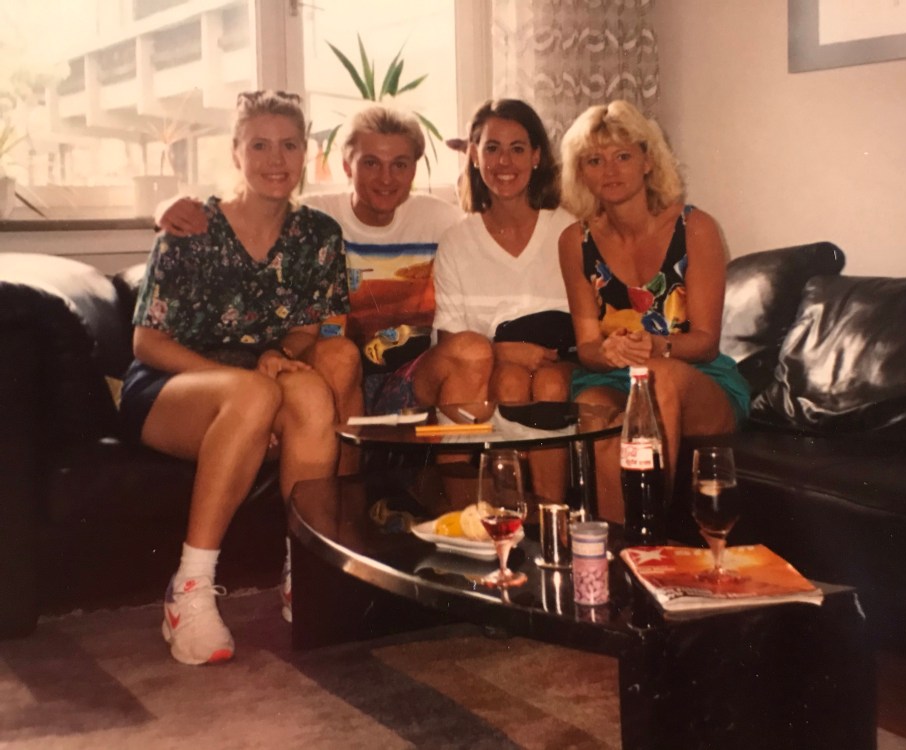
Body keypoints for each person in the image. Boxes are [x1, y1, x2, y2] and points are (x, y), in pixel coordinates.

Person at [122, 90, 361, 665]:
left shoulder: (319, 236)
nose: (275, 159)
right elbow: (146, 342)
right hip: (172, 386)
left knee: (310, 393)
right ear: (235, 153)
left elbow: (310, 330)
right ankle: (189, 589)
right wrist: (239, 381)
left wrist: (279, 355)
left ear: (305, 154)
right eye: (259, 146)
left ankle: (303, 570)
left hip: (259, 381)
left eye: (289, 145)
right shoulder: (190, 228)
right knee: (255, 393)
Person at [156, 104, 491, 415]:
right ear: (346, 165)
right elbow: (249, 208)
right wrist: (168, 209)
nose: (386, 178)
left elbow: (491, 236)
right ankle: (348, 461)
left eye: (399, 164)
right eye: (370, 163)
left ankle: (458, 462)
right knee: (338, 354)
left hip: (410, 378)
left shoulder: (439, 219)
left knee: (468, 349)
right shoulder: (315, 217)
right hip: (331, 374)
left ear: (414, 168)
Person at [558, 100, 751, 522]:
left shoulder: (695, 228)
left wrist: (655, 346)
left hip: (695, 378)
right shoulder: (575, 241)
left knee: (656, 376)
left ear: (648, 161)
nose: (609, 170)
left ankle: (652, 533)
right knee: (590, 405)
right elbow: (586, 347)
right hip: (614, 379)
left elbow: (705, 343)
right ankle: (617, 542)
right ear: (580, 172)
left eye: (623, 156)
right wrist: (607, 351)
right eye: (594, 160)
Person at [433, 98, 577, 502]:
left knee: (548, 383)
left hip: (562, 364)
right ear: (474, 155)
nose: (504, 162)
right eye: (492, 148)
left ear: (536, 156)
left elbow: (589, 322)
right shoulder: (457, 241)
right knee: (511, 382)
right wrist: (502, 351)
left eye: (517, 148)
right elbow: (451, 346)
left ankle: (550, 517)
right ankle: (496, 519)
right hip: (487, 371)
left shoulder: (567, 230)